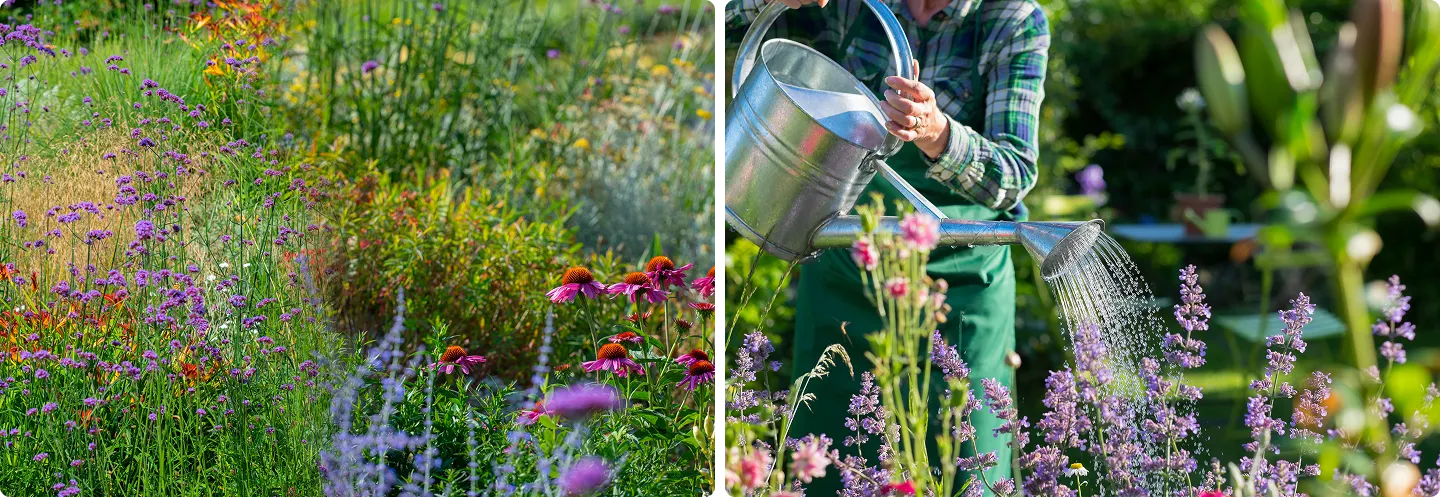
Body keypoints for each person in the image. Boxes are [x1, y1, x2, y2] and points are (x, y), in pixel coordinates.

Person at [723, 0, 1049, 493]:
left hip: (959, 284)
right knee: (830, 465)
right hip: (847, 266)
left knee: (964, 469)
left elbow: (1014, 175)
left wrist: (937, 132)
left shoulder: (1012, 18)